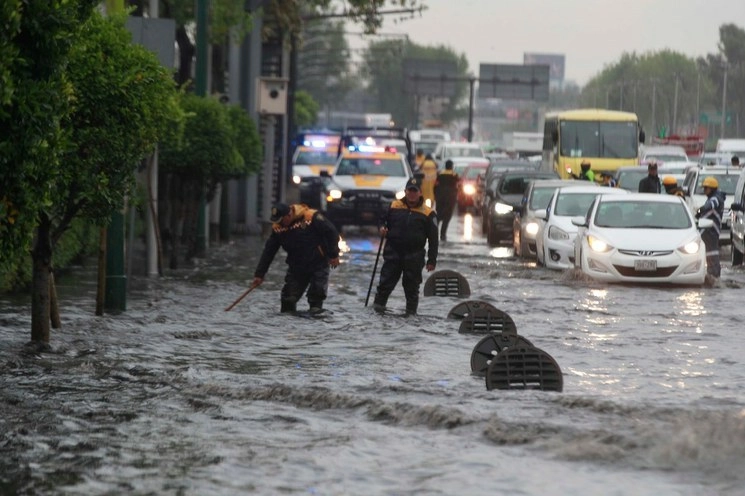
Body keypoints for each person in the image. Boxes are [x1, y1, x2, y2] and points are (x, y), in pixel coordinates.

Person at [252, 203, 340, 314]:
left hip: (318, 263)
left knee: (316, 300)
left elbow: (332, 233)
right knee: (288, 299)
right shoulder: (278, 228)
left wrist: (334, 255)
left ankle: (315, 323)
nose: (279, 223)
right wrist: (259, 274)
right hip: (296, 266)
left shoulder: (311, 217)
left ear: (289, 215)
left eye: (281, 220)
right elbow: (269, 251)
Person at [373, 177, 438, 316]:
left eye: (415, 191)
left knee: (412, 290)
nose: (412, 194)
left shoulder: (428, 213)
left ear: (420, 193)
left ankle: (411, 318)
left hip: (414, 257)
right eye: (410, 191)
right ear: (405, 192)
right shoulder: (393, 206)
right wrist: (381, 228)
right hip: (393, 254)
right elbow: (381, 220)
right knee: (384, 287)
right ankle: (377, 315)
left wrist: (432, 260)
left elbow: (433, 239)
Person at [696, 176, 725, 278]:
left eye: (706, 188)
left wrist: (701, 210)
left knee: (711, 254)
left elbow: (711, 205)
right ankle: (713, 274)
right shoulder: (714, 197)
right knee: (710, 254)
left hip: (711, 231)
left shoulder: (716, 198)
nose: (704, 190)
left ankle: (713, 275)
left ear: (712, 189)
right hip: (709, 231)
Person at [434, 159, 459, 241]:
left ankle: (433, 232)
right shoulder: (455, 175)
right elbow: (458, 187)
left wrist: (436, 196)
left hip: (440, 197)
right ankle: (443, 234)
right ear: (451, 167)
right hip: (450, 199)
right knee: (447, 217)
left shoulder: (440, 174)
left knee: (438, 215)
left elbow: (435, 186)